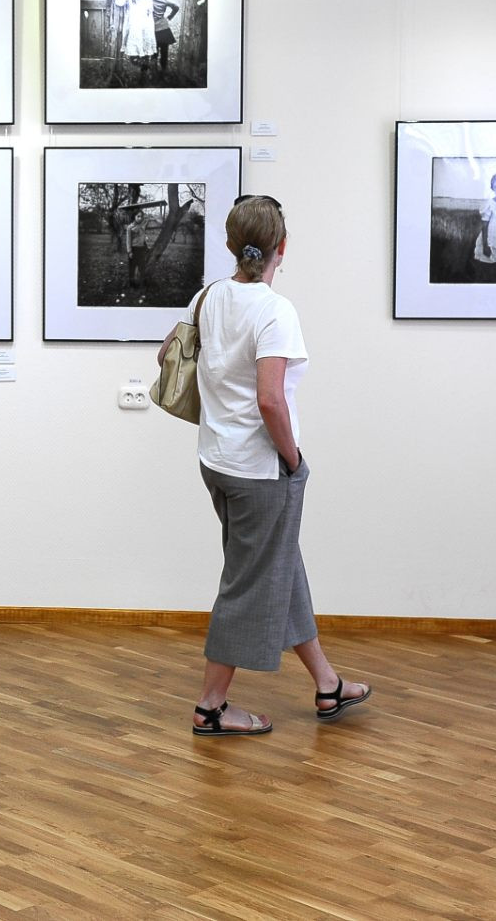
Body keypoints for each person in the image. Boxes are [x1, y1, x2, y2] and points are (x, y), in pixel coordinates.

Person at [161, 195, 371, 735]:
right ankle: (210, 706)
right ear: (282, 247)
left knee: (278, 566)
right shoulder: (276, 311)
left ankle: (327, 685)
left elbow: (168, 355)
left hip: (216, 461)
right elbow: (271, 400)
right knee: (247, 583)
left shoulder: (206, 297)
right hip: (260, 471)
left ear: (231, 245)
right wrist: (293, 458)